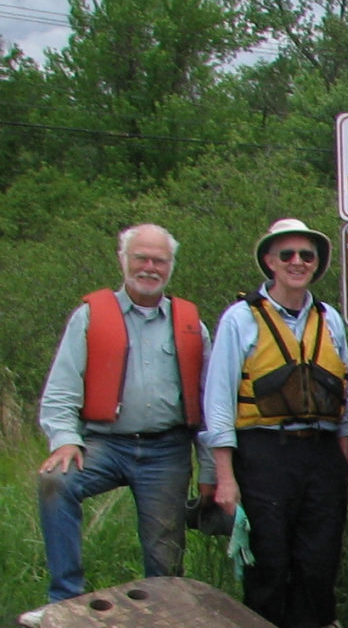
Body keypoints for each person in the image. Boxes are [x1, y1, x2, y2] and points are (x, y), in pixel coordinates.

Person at [36, 224, 214, 601]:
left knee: (165, 560)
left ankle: (162, 620)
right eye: (141, 258)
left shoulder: (191, 326)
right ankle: (65, 599)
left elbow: (209, 405)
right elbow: (61, 389)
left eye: (159, 260)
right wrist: (65, 440)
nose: (149, 267)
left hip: (166, 450)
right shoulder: (89, 317)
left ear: (171, 266)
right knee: (55, 482)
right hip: (103, 443)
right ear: (123, 261)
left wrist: (211, 471)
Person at [203, 218, 348, 628]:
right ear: (270, 261)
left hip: (321, 452)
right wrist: (225, 479)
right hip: (263, 452)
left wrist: (342, 461)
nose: (297, 262)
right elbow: (218, 403)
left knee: (319, 557)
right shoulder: (240, 319)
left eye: (306, 255)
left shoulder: (330, 320)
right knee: (269, 558)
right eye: (287, 254)